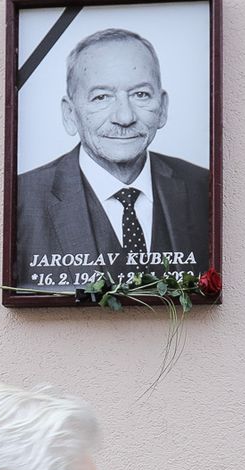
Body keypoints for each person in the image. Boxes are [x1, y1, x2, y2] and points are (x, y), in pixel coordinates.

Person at [14, 28, 211, 289]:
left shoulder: (203, 186)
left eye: (140, 94)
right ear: (70, 114)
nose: (124, 117)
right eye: (101, 97)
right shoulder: (22, 200)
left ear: (162, 108)